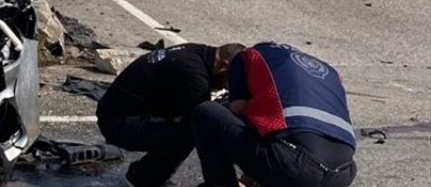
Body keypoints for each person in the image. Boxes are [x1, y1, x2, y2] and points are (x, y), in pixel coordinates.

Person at [192, 42, 357, 187]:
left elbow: (238, 112)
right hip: (343, 173)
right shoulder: (329, 72)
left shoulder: (249, 56)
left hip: (296, 168)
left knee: (208, 112)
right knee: (280, 139)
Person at [97, 43, 246, 187]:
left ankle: (147, 174)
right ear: (222, 65)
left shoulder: (198, 53)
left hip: (127, 109)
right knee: (191, 133)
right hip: (117, 122)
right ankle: (141, 179)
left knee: (191, 122)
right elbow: (205, 124)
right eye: (229, 81)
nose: (227, 87)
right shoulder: (194, 76)